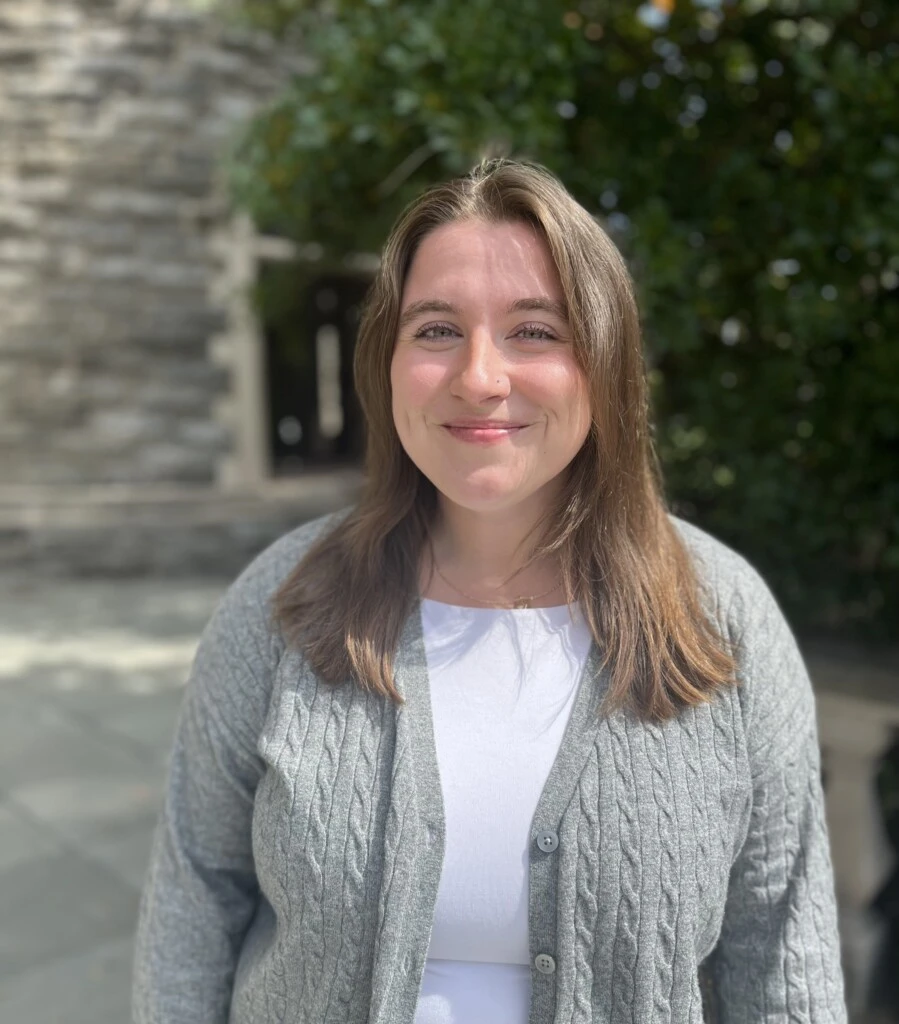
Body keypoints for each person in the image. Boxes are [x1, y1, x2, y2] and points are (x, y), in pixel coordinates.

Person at [133, 159, 846, 1023]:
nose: (479, 376)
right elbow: (194, 902)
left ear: (603, 362)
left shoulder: (723, 620)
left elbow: (780, 956)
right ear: (387, 363)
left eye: (534, 331)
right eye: (435, 330)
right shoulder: (281, 604)